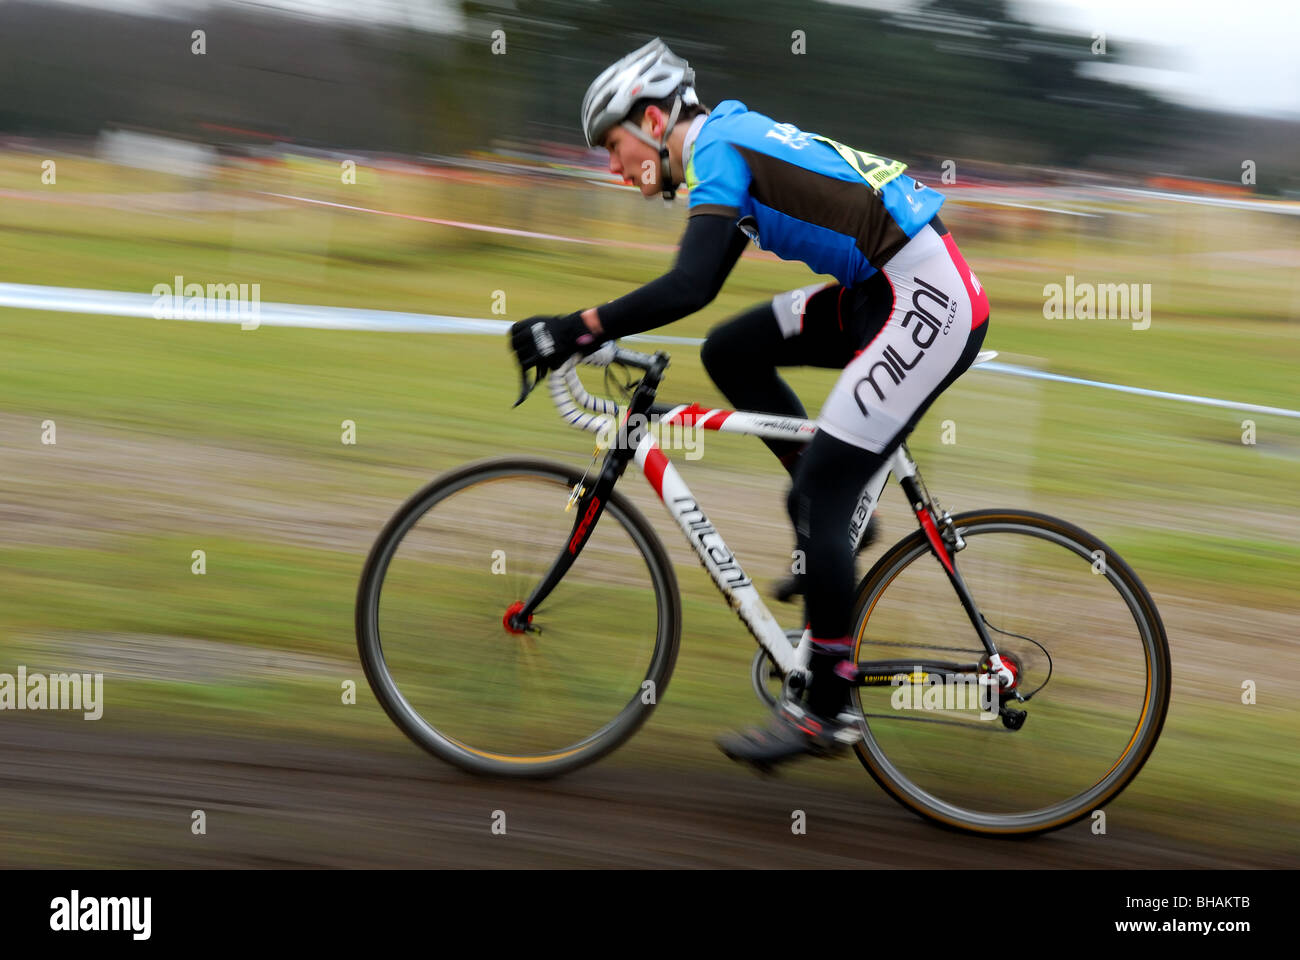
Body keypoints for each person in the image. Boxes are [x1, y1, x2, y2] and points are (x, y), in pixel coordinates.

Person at [509, 37, 990, 771]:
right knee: (731, 351)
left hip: (922, 296)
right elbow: (703, 287)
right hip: (883, 287)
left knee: (825, 497)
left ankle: (825, 707)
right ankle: (822, 508)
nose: (613, 166)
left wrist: (578, 327)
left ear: (649, 119)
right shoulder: (726, 139)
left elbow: (688, 286)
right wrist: (595, 328)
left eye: (612, 146)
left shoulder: (717, 149)